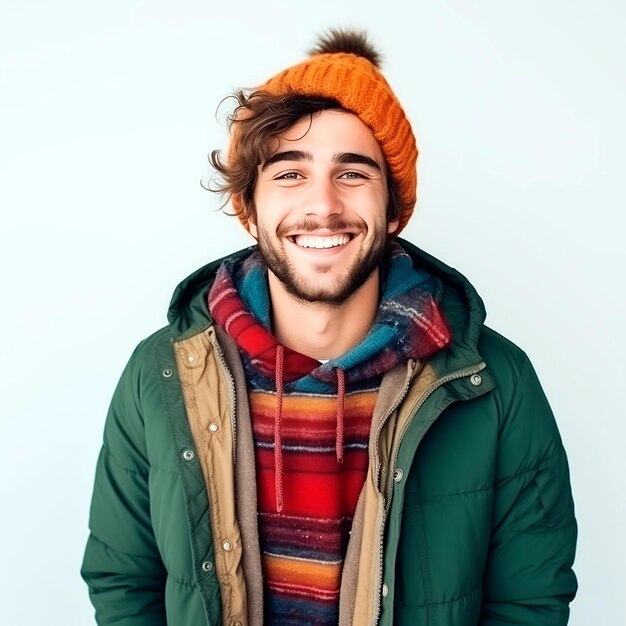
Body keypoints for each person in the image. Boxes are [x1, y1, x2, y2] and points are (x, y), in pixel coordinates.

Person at [81, 28, 577, 626]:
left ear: (393, 207)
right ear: (248, 206)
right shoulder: (160, 373)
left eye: (353, 173)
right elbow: (124, 581)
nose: (323, 204)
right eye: (289, 173)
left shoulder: (495, 381)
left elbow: (529, 603)